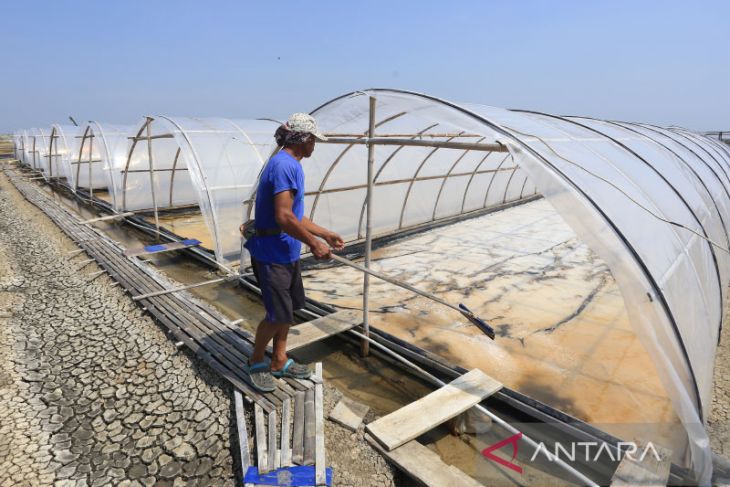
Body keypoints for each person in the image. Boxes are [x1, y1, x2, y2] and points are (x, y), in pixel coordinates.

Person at [243, 113, 344, 392]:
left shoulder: (291, 165)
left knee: (287, 311)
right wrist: (313, 243)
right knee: (277, 315)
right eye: (314, 140)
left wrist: (325, 233)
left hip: (286, 251)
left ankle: (279, 360)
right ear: (303, 139)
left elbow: (295, 216)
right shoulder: (284, 166)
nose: (315, 145)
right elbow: (284, 217)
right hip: (271, 253)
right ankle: (255, 361)